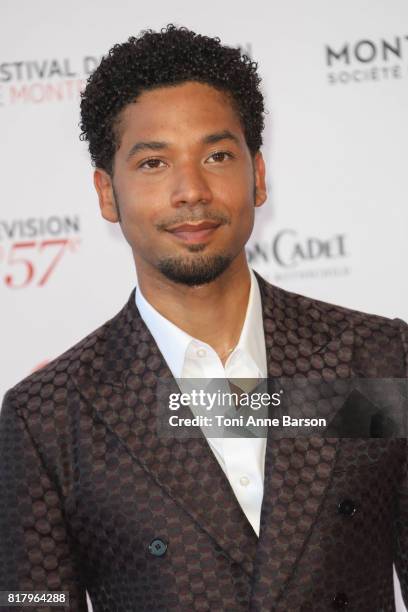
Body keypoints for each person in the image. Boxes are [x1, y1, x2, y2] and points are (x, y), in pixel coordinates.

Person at [0, 24, 407, 612]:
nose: (190, 190)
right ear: (107, 194)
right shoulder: (48, 417)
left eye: (216, 155)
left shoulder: (377, 359)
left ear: (258, 176)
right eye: (153, 164)